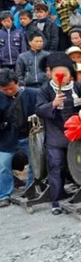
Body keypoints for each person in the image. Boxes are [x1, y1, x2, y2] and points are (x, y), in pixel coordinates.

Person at [35, 52, 81, 214]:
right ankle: (56, 201)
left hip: (76, 133)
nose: (61, 77)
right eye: (57, 73)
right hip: (55, 135)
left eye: (65, 73)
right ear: (50, 73)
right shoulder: (45, 89)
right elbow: (38, 110)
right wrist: (52, 104)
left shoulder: (77, 87)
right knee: (56, 165)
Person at [0, 69, 38, 206]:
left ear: (17, 82)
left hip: (28, 135)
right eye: (5, 89)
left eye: (11, 88)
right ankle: (3, 195)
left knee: (36, 162)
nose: (9, 91)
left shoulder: (32, 94)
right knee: (3, 165)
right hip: (6, 138)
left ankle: (30, 189)